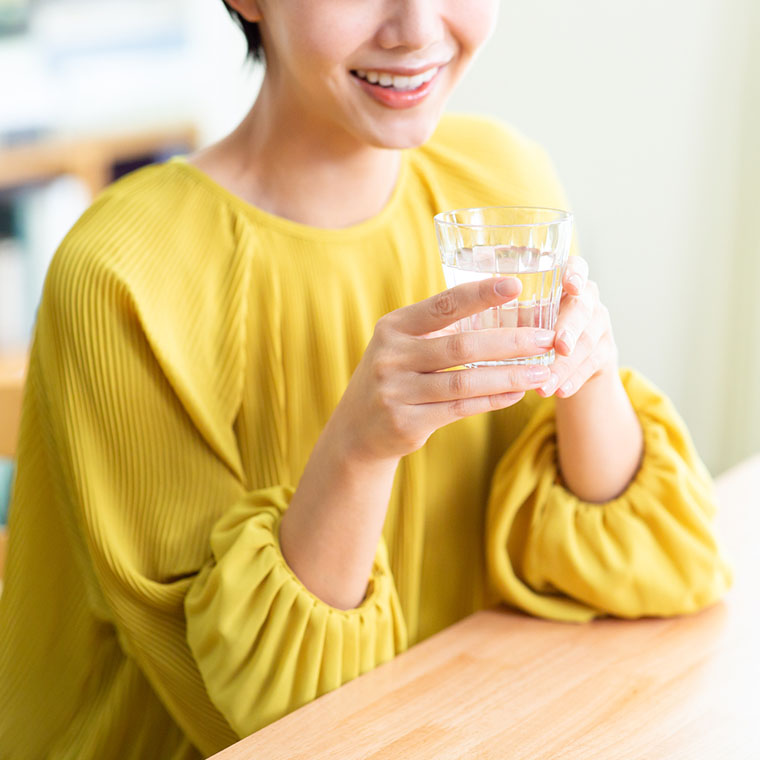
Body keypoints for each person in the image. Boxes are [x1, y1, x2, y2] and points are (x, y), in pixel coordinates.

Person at [0, 1, 732, 758]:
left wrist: (589, 376)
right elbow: (268, 724)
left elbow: (665, 575)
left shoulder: (497, 185)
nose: (416, 28)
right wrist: (356, 448)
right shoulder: (124, 276)